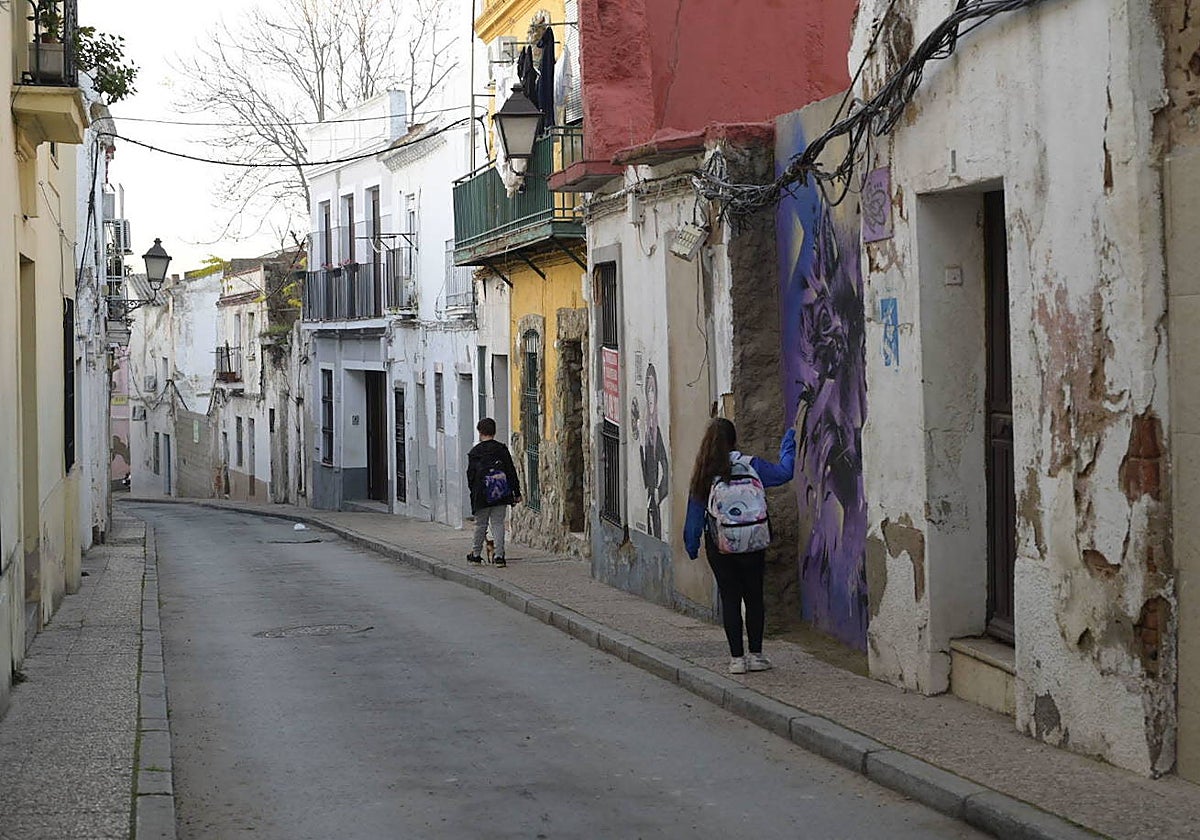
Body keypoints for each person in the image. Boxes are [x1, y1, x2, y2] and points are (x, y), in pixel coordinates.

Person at [683, 418, 796, 674]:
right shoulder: (750, 465)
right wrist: (789, 442)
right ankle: (756, 655)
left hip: (720, 545)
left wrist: (691, 546)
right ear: (734, 440)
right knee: (754, 596)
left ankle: (737, 659)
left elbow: (694, 516)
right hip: (752, 542)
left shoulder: (705, 473)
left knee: (730, 598)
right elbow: (784, 473)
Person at [466, 418, 521, 568]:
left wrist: (474, 493)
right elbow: (510, 471)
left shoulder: (475, 452)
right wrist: (516, 491)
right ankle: (499, 556)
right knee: (498, 524)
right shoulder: (501, 450)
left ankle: (476, 555)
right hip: (500, 494)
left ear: (480, 432)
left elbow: (470, 476)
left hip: (482, 495)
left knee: (480, 525)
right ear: (494, 431)